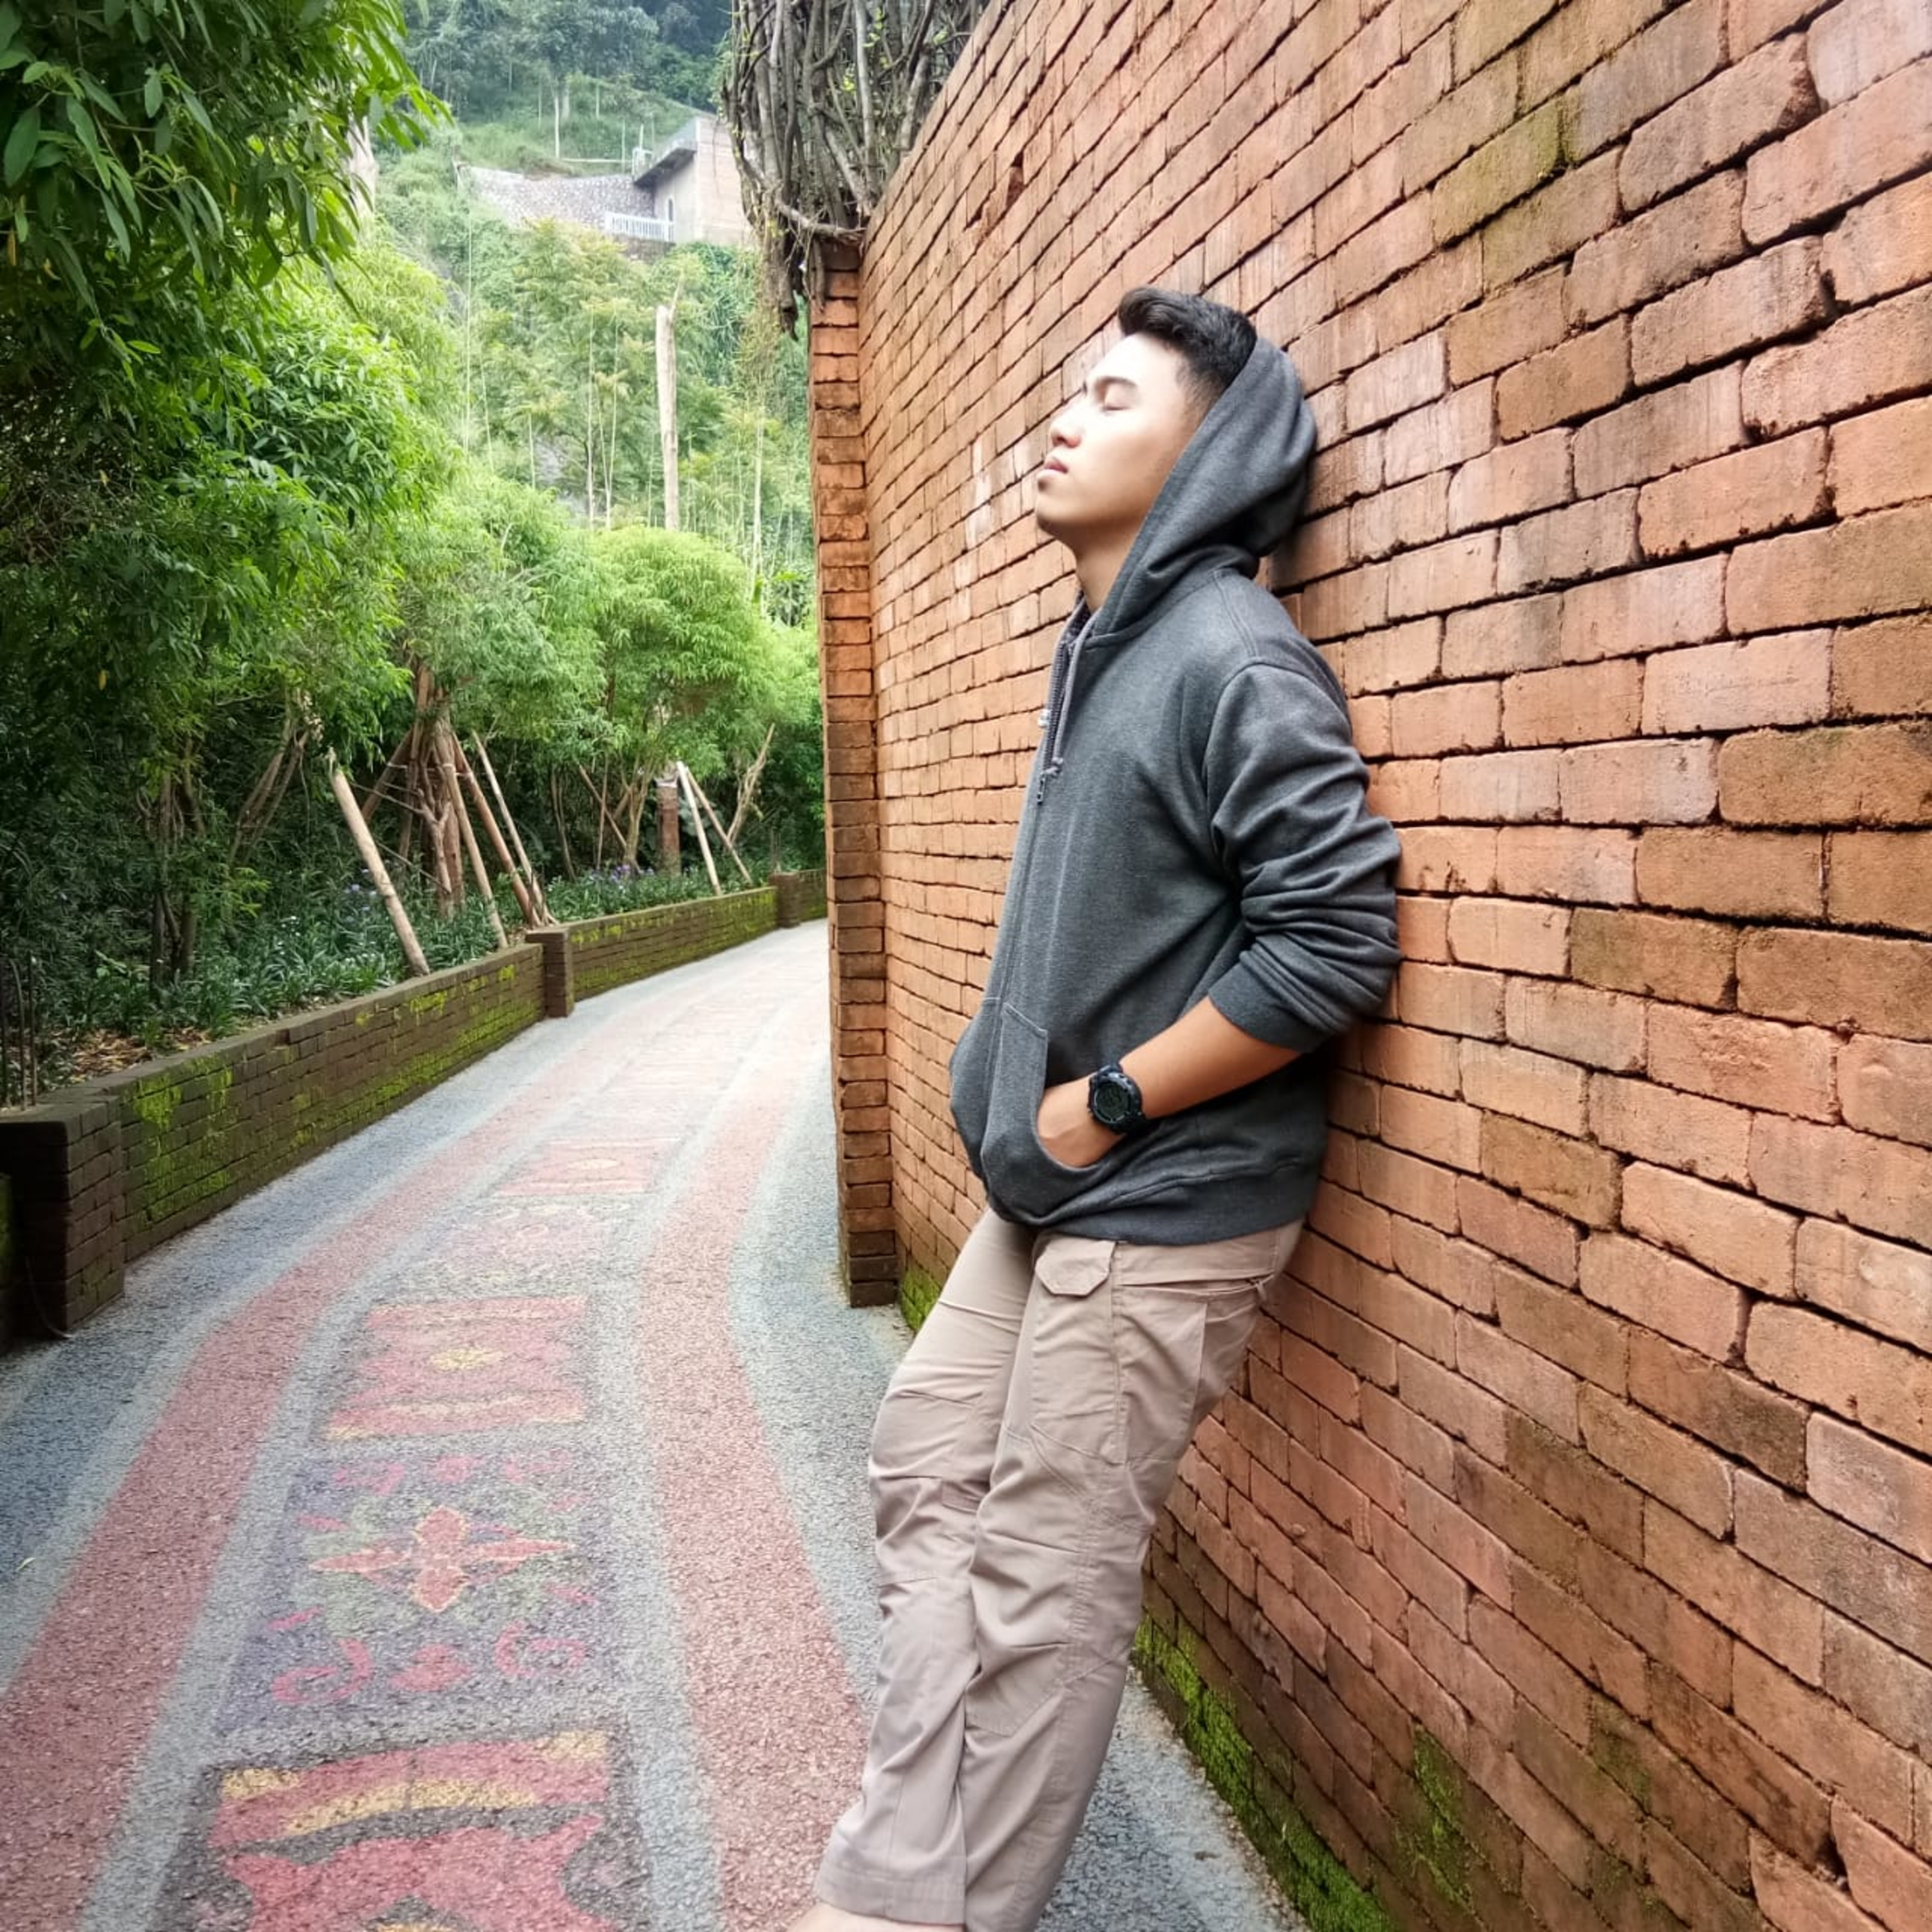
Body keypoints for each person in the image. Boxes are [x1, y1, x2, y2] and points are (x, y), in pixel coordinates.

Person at [791, 288, 1401, 1932]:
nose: (1067, 420)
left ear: (1205, 455)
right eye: (1073, 390)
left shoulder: (1227, 655)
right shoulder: (1099, 650)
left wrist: (1105, 1104)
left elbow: (1337, 937)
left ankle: (941, 1913)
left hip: (1165, 1193)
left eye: (1115, 399)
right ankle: (900, 1876)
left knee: (1041, 1585)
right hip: (1053, 1185)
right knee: (927, 1461)